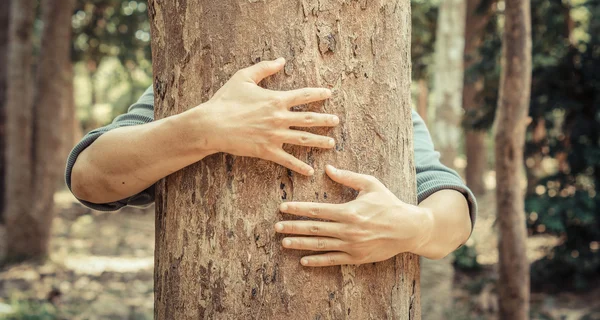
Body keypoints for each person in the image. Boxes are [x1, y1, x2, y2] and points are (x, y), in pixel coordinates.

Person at [66, 58, 477, 266]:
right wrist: (207, 126)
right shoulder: (197, 74)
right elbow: (89, 178)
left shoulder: (381, 92)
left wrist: (415, 228)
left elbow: (452, 213)